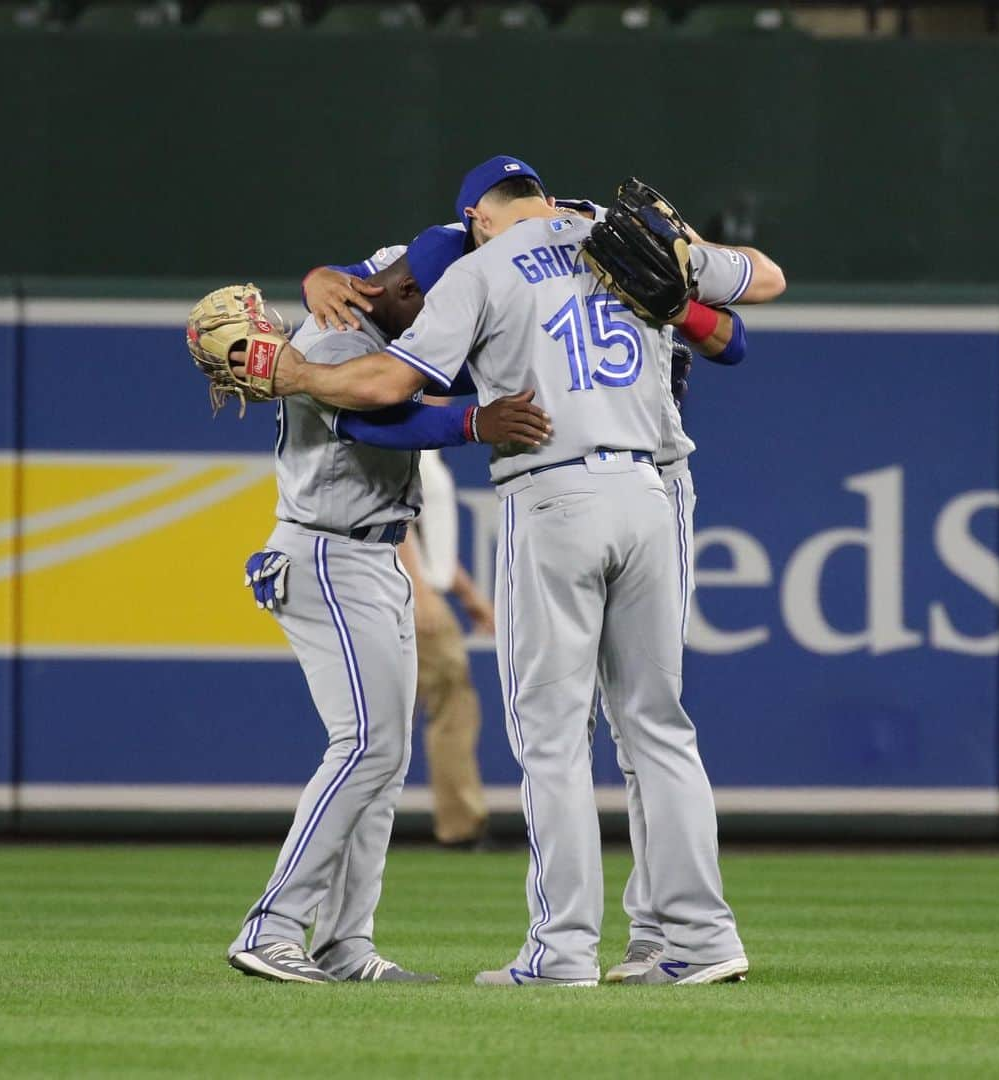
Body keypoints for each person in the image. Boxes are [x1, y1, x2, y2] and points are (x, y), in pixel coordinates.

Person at [242, 155, 785, 986]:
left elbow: (386, 385)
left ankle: (562, 951)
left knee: (554, 739)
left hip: (555, 492)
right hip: (650, 489)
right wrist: (686, 291)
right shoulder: (617, 234)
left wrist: (293, 374)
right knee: (660, 726)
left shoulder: (482, 267)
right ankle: (701, 941)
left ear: (480, 220)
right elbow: (765, 287)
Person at [226, 225, 551, 984]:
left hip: (372, 553)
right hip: (329, 550)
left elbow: (410, 254)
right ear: (408, 295)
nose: (450, 329)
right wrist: (476, 418)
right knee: (366, 745)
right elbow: (376, 416)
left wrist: (317, 268)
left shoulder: (396, 285)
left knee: (385, 754)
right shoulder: (341, 341)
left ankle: (345, 943)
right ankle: (271, 927)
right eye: (442, 310)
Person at [398, 449, 492, 847]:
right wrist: (419, 591)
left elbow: (429, 535)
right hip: (406, 595)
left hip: (422, 591)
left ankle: (462, 823)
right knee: (450, 703)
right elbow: (394, 519)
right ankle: (462, 825)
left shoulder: (428, 450)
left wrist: (468, 594)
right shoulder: (405, 443)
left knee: (448, 703)